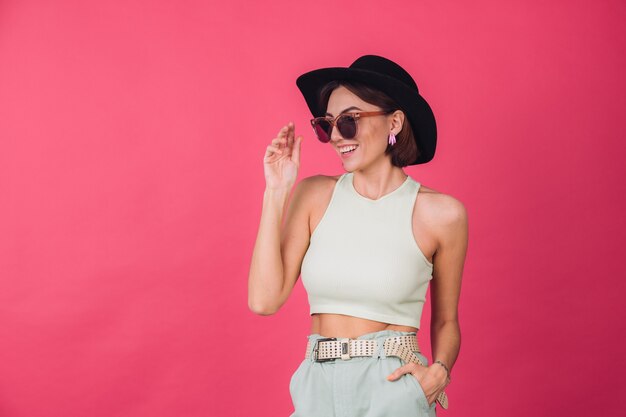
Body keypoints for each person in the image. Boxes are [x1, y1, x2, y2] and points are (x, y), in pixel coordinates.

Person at [248, 55, 468, 417]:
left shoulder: (441, 215)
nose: (335, 136)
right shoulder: (314, 195)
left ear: (394, 121)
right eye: (327, 125)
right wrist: (276, 191)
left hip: (392, 384)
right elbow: (263, 300)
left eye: (349, 122)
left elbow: (446, 319)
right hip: (316, 383)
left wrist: (438, 373)